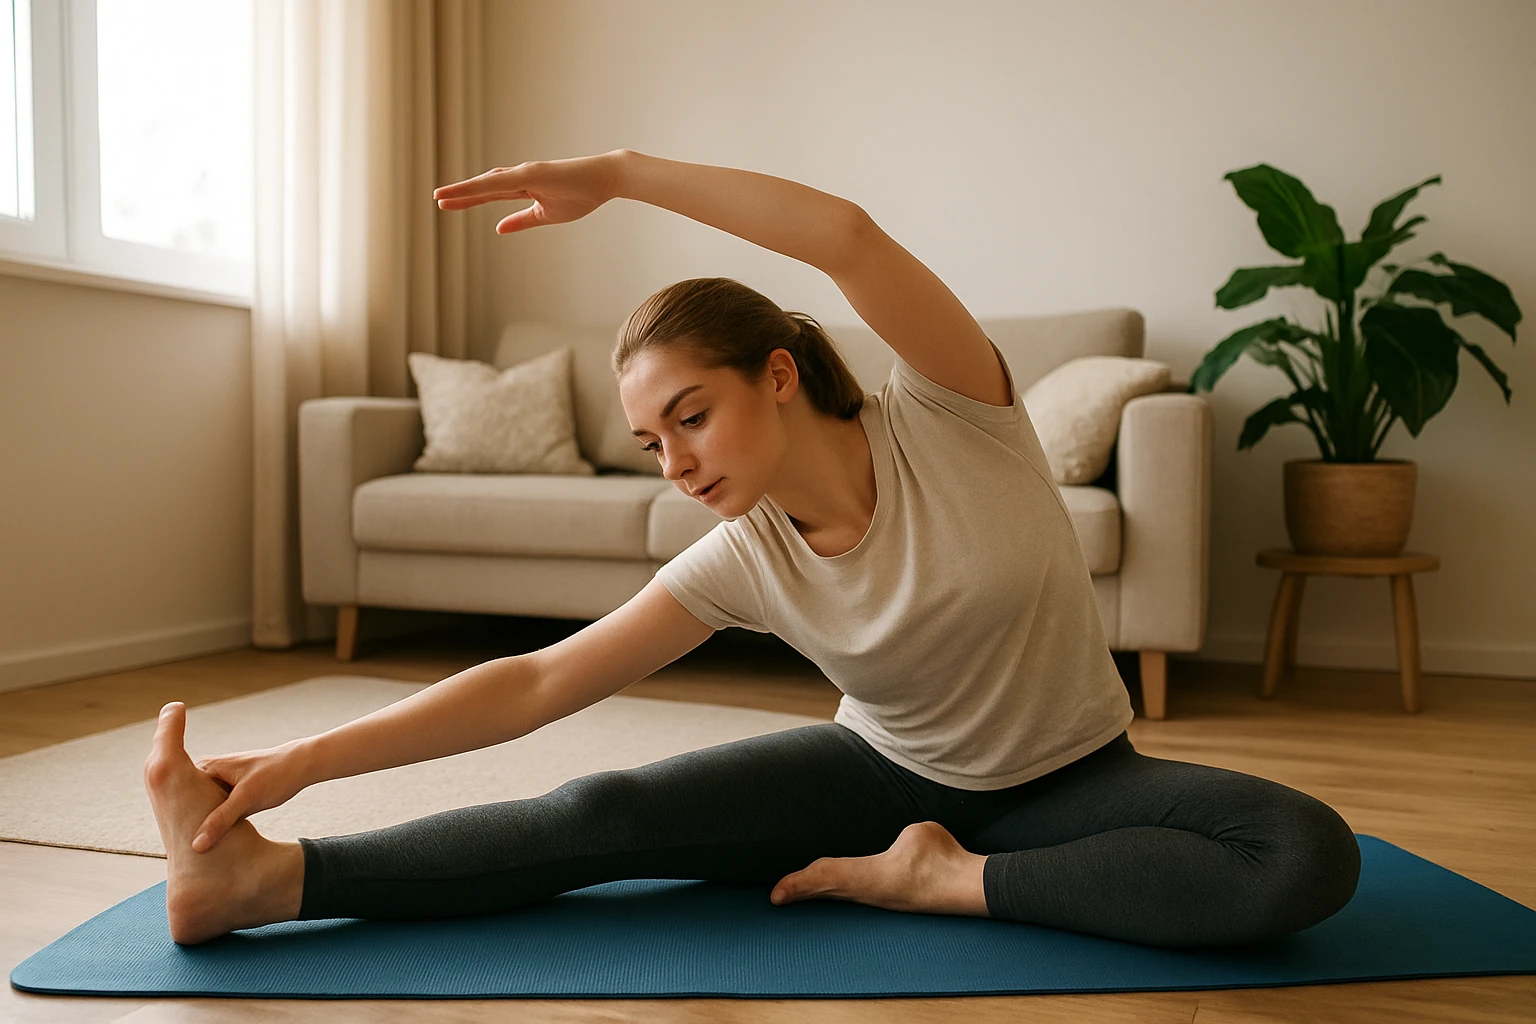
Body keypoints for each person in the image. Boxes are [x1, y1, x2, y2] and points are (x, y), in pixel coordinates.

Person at [142, 149, 1361, 948]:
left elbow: (846, 236)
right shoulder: (745, 555)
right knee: (601, 810)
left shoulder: (954, 409)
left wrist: (619, 174)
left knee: (1300, 853)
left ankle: (942, 879)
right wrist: (300, 762)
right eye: (650, 442)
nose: (675, 462)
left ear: (777, 374)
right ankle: (264, 882)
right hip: (880, 775)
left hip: (1076, 779)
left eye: (692, 416)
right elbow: (537, 681)